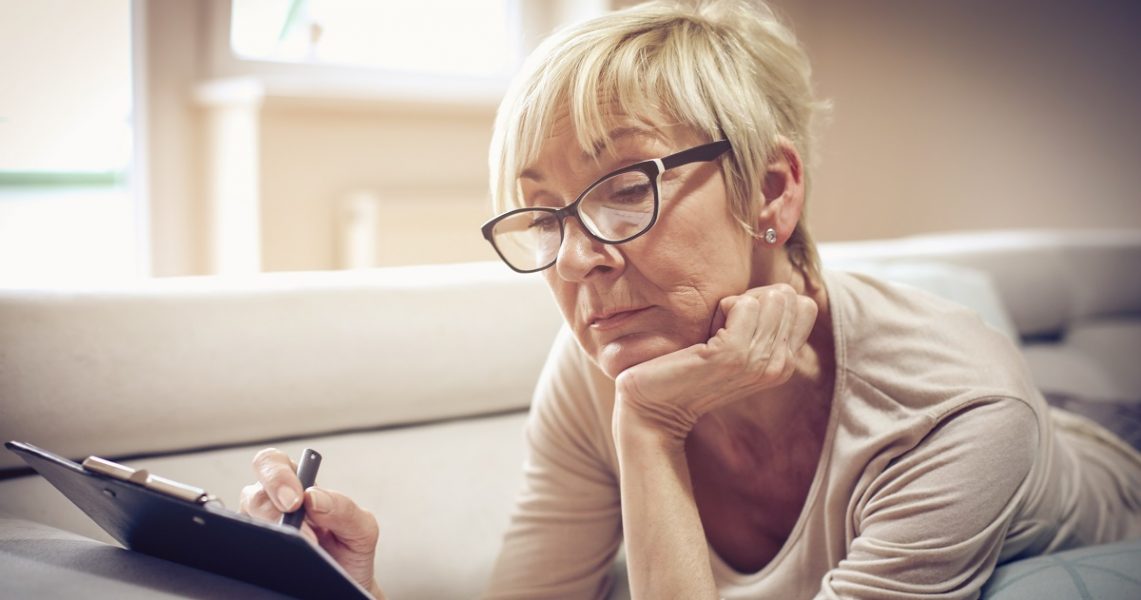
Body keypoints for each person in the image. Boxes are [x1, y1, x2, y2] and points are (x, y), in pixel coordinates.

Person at [240, 1, 1141, 598]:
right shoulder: (602, 362)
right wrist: (354, 588)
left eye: (626, 186)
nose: (579, 260)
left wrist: (648, 425)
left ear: (772, 191)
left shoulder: (953, 413)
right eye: (544, 211)